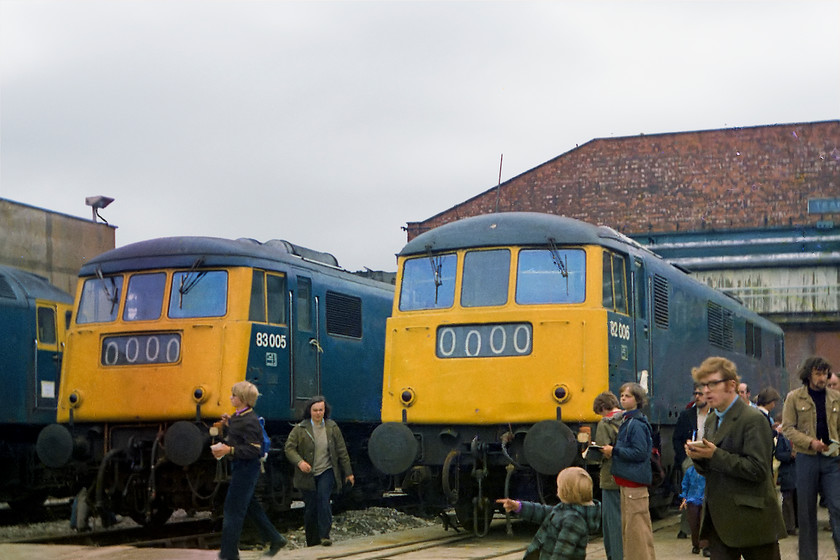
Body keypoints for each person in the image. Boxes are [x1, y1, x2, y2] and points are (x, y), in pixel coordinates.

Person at [685, 356, 786, 559]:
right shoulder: (712, 419)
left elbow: (758, 469)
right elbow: (712, 468)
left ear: (732, 385)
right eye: (703, 385)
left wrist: (715, 454)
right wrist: (698, 457)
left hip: (753, 520)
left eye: (713, 384)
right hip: (721, 521)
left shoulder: (753, 419)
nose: (706, 391)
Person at [210, 381, 287, 560]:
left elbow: (254, 450)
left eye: (234, 395)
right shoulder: (239, 417)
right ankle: (276, 539)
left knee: (232, 509)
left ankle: (229, 554)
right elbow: (239, 437)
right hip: (240, 467)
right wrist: (228, 425)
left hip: (246, 469)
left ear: (243, 399)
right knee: (251, 506)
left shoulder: (250, 421)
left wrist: (229, 450)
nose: (231, 397)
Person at [781, 356, 840, 560]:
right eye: (818, 373)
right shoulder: (794, 398)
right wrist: (809, 442)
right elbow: (788, 428)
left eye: (825, 373)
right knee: (806, 512)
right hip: (806, 458)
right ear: (808, 375)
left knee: (837, 505)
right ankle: (808, 557)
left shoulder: (835, 397)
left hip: (832, 459)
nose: (822, 378)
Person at [284, 396, 355, 547]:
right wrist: (300, 462)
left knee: (323, 499)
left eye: (320, 410)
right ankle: (312, 541)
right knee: (310, 507)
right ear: (309, 411)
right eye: (315, 410)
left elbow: (342, 451)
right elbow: (289, 448)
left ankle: (324, 535)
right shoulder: (300, 429)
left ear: (325, 410)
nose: (318, 413)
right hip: (307, 475)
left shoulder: (332, 428)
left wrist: (348, 473)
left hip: (326, 470)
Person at [496, 466, 601, 560]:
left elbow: (562, 554)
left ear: (566, 491)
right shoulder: (565, 510)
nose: (557, 490)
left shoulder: (573, 521)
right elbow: (543, 512)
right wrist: (519, 506)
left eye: (559, 487)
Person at [602, 382, 656, 560]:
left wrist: (614, 451)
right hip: (627, 483)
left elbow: (640, 453)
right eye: (622, 396)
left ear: (638, 400)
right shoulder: (628, 420)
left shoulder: (636, 424)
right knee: (631, 531)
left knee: (637, 532)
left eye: (628, 396)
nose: (623, 398)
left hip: (634, 484)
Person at [672, 384, 711, 540]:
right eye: (695, 393)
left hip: (708, 457)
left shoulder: (715, 415)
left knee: (706, 494)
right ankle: (685, 527)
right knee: (688, 493)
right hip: (690, 458)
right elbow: (676, 438)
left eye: (700, 394)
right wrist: (683, 458)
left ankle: (703, 530)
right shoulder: (686, 415)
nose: (697, 396)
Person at [592, 391, 623, 560]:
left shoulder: (605, 423)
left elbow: (603, 450)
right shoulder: (627, 418)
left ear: (603, 407)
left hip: (610, 476)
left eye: (599, 411)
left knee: (612, 520)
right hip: (626, 475)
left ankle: (615, 555)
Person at [679, 461, 710, 557]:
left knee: (704, 522)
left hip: (705, 499)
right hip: (692, 499)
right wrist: (684, 497)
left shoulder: (708, 471)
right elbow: (685, 484)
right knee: (693, 523)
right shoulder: (690, 471)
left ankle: (705, 546)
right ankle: (696, 544)